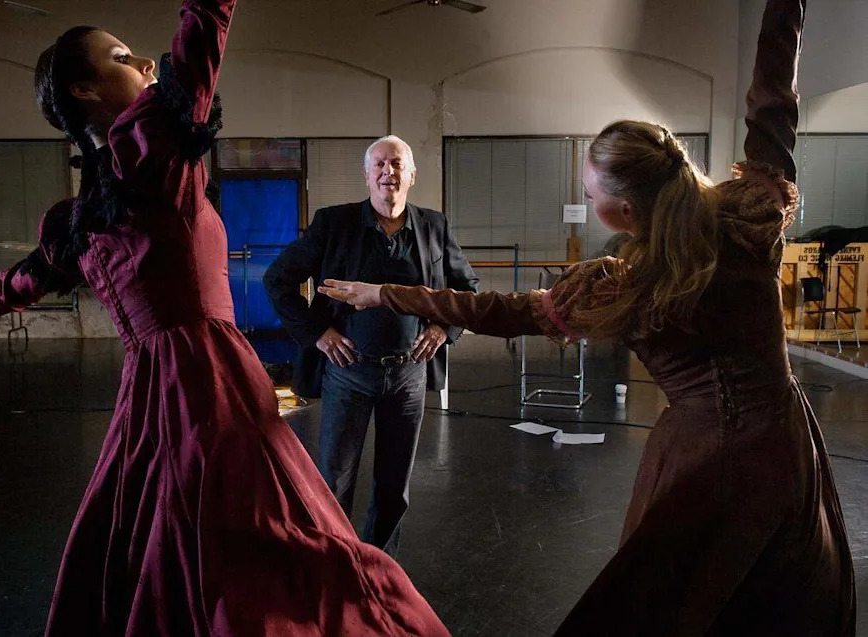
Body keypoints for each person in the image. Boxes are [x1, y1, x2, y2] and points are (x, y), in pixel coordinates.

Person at [0, 2, 450, 634]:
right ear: (84, 90)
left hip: (150, 399)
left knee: (173, 542)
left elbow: (14, 285)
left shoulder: (91, 213)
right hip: (210, 383)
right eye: (118, 57)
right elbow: (202, 30)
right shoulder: (154, 155)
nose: (141, 61)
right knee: (257, 545)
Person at [317, 0, 856, 633]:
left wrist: (385, 295)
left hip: (709, 460)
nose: (586, 197)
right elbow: (774, 106)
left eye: (591, 191)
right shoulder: (747, 217)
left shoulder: (631, 287)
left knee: (680, 600)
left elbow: (497, 310)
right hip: (784, 436)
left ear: (623, 213)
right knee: (781, 595)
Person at [264, 136, 478, 556]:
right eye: (379, 164)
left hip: (409, 376)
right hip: (348, 373)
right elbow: (278, 280)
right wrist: (318, 334)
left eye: (397, 164)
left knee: (395, 485)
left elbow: (466, 288)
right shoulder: (333, 224)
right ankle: (335, 564)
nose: (388, 172)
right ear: (366, 176)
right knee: (334, 479)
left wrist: (441, 330)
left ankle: (381, 567)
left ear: (412, 175)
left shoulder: (435, 226)